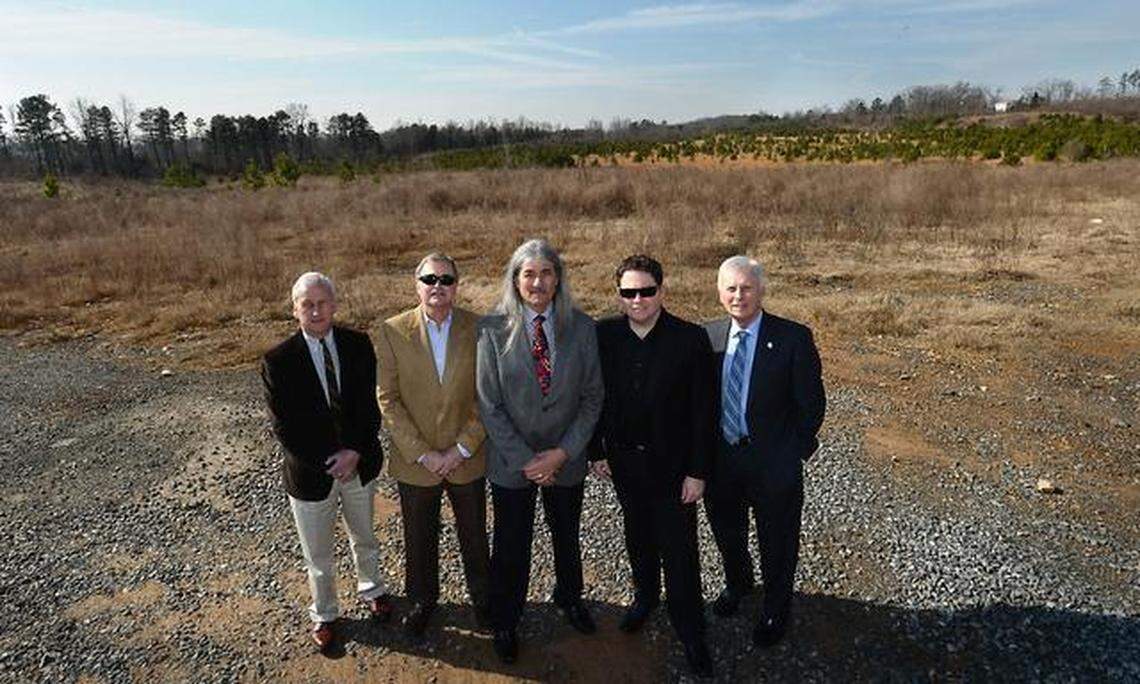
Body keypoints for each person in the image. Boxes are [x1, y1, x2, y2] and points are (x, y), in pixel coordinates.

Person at [476, 238, 604, 664]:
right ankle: (507, 619)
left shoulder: (582, 327)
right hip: (513, 464)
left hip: (565, 461)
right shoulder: (491, 329)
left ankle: (570, 598)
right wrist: (529, 461)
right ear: (515, 280)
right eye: (528, 273)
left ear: (558, 279)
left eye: (546, 273)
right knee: (512, 543)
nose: (537, 281)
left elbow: (592, 398)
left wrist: (562, 454)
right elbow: (488, 404)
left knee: (566, 536)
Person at [589, 255, 716, 678]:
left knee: (679, 549)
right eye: (629, 292)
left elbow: (703, 413)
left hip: (674, 469)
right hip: (625, 464)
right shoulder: (603, 334)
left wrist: (698, 472)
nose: (638, 299)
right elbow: (592, 399)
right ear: (619, 295)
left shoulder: (690, 339)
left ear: (662, 290)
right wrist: (596, 452)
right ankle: (645, 599)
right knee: (637, 536)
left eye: (646, 290)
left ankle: (690, 627)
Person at [261, 271, 394, 653]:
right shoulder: (278, 360)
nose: (316, 310)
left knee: (365, 536)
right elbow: (284, 426)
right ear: (295, 310)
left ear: (334, 306)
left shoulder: (357, 345)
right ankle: (325, 613)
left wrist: (354, 451)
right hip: (310, 475)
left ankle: (373, 589)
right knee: (317, 554)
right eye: (308, 304)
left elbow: (372, 406)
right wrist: (330, 462)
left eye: (322, 303)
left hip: (359, 464)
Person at [704, 255, 826, 648]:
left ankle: (776, 606)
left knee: (778, 539)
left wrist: (793, 453)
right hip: (722, 461)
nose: (739, 295)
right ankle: (738, 584)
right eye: (731, 288)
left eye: (747, 287)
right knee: (727, 531)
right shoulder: (707, 338)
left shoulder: (792, 338)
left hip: (773, 463)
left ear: (761, 290)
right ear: (720, 292)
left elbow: (811, 403)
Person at [376, 253, 490, 638]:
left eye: (446, 279)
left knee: (474, 534)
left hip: (466, 458)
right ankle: (423, 601)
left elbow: (487, 396)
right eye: (429, 279)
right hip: (417, 462)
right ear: (417, 284)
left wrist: (460, 449)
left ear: (457, 285)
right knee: (418, 536)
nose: (437, 286)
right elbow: (387, 398)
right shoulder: (392, 330)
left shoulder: (478, 328)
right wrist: (424, 453)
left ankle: (483, 601)